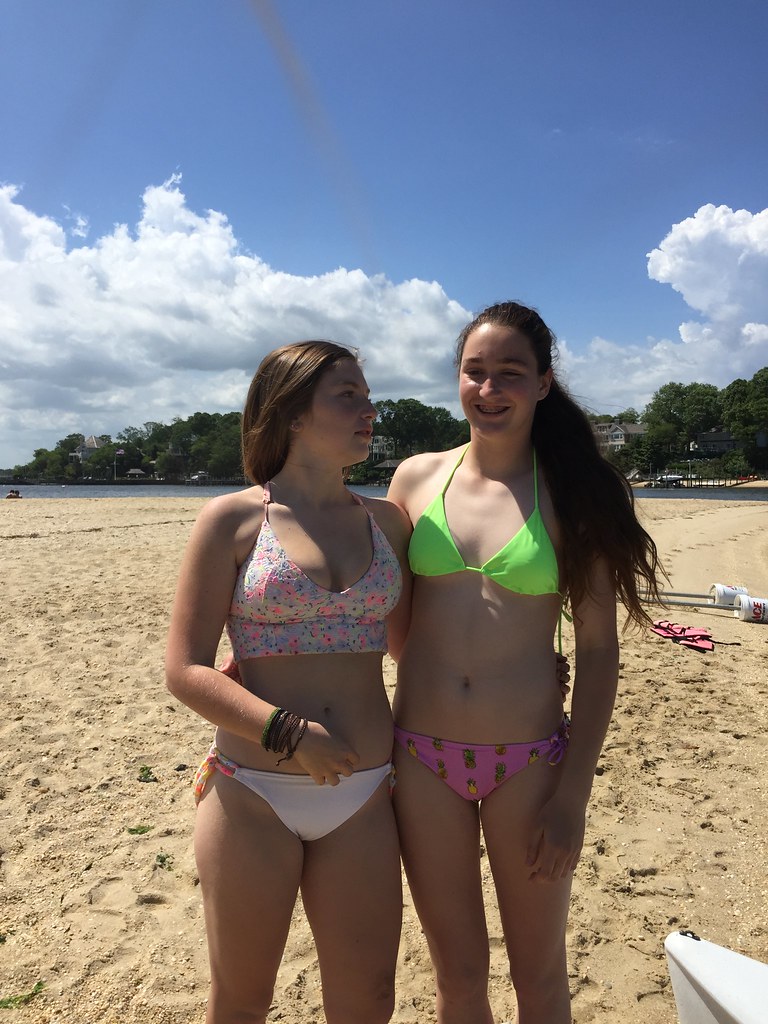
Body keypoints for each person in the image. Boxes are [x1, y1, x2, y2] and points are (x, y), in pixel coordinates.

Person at [387, 301, 663, 1024]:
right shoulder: (414, 479)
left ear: (543, 383)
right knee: (457, 979)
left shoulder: (573, 494)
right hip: (419, 757)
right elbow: (380, 615)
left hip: (530, 763)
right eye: (474, 371)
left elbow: (598, 651)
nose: (489, 389)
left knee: (538, 977)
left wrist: (573, 798)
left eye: (510, 373)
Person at [165, 341, 412, 1024]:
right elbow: (185, 669)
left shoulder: (388, 522)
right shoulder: (234, 519)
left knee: (368, 1002)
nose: (369, 410)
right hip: (253, 792)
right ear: (293, 412)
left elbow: (411, 650)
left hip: (364, 793)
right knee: (242, 1000)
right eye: (348, 396)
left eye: (368, 396)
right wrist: (289, 733)